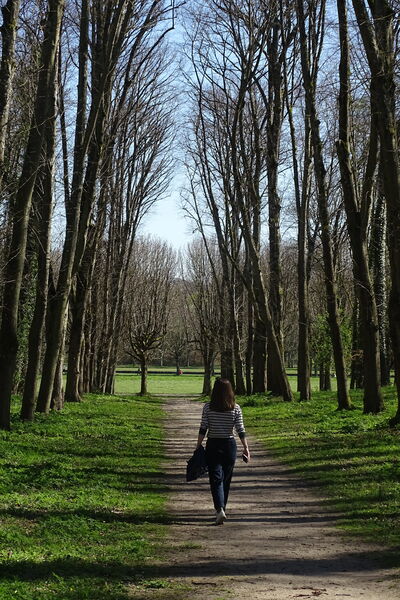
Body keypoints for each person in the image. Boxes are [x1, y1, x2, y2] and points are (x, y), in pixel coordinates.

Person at [196, 378, 250, 525]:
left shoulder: (208, 407)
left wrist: (198, 445)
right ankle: (222, 509)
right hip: (229, 445)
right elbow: (240, 429)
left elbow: (203, 427)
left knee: (216, 479)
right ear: (230, 391)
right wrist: (246, 447)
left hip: (213, 444)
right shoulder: (236, 408)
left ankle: (220, 509)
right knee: (225, 479)